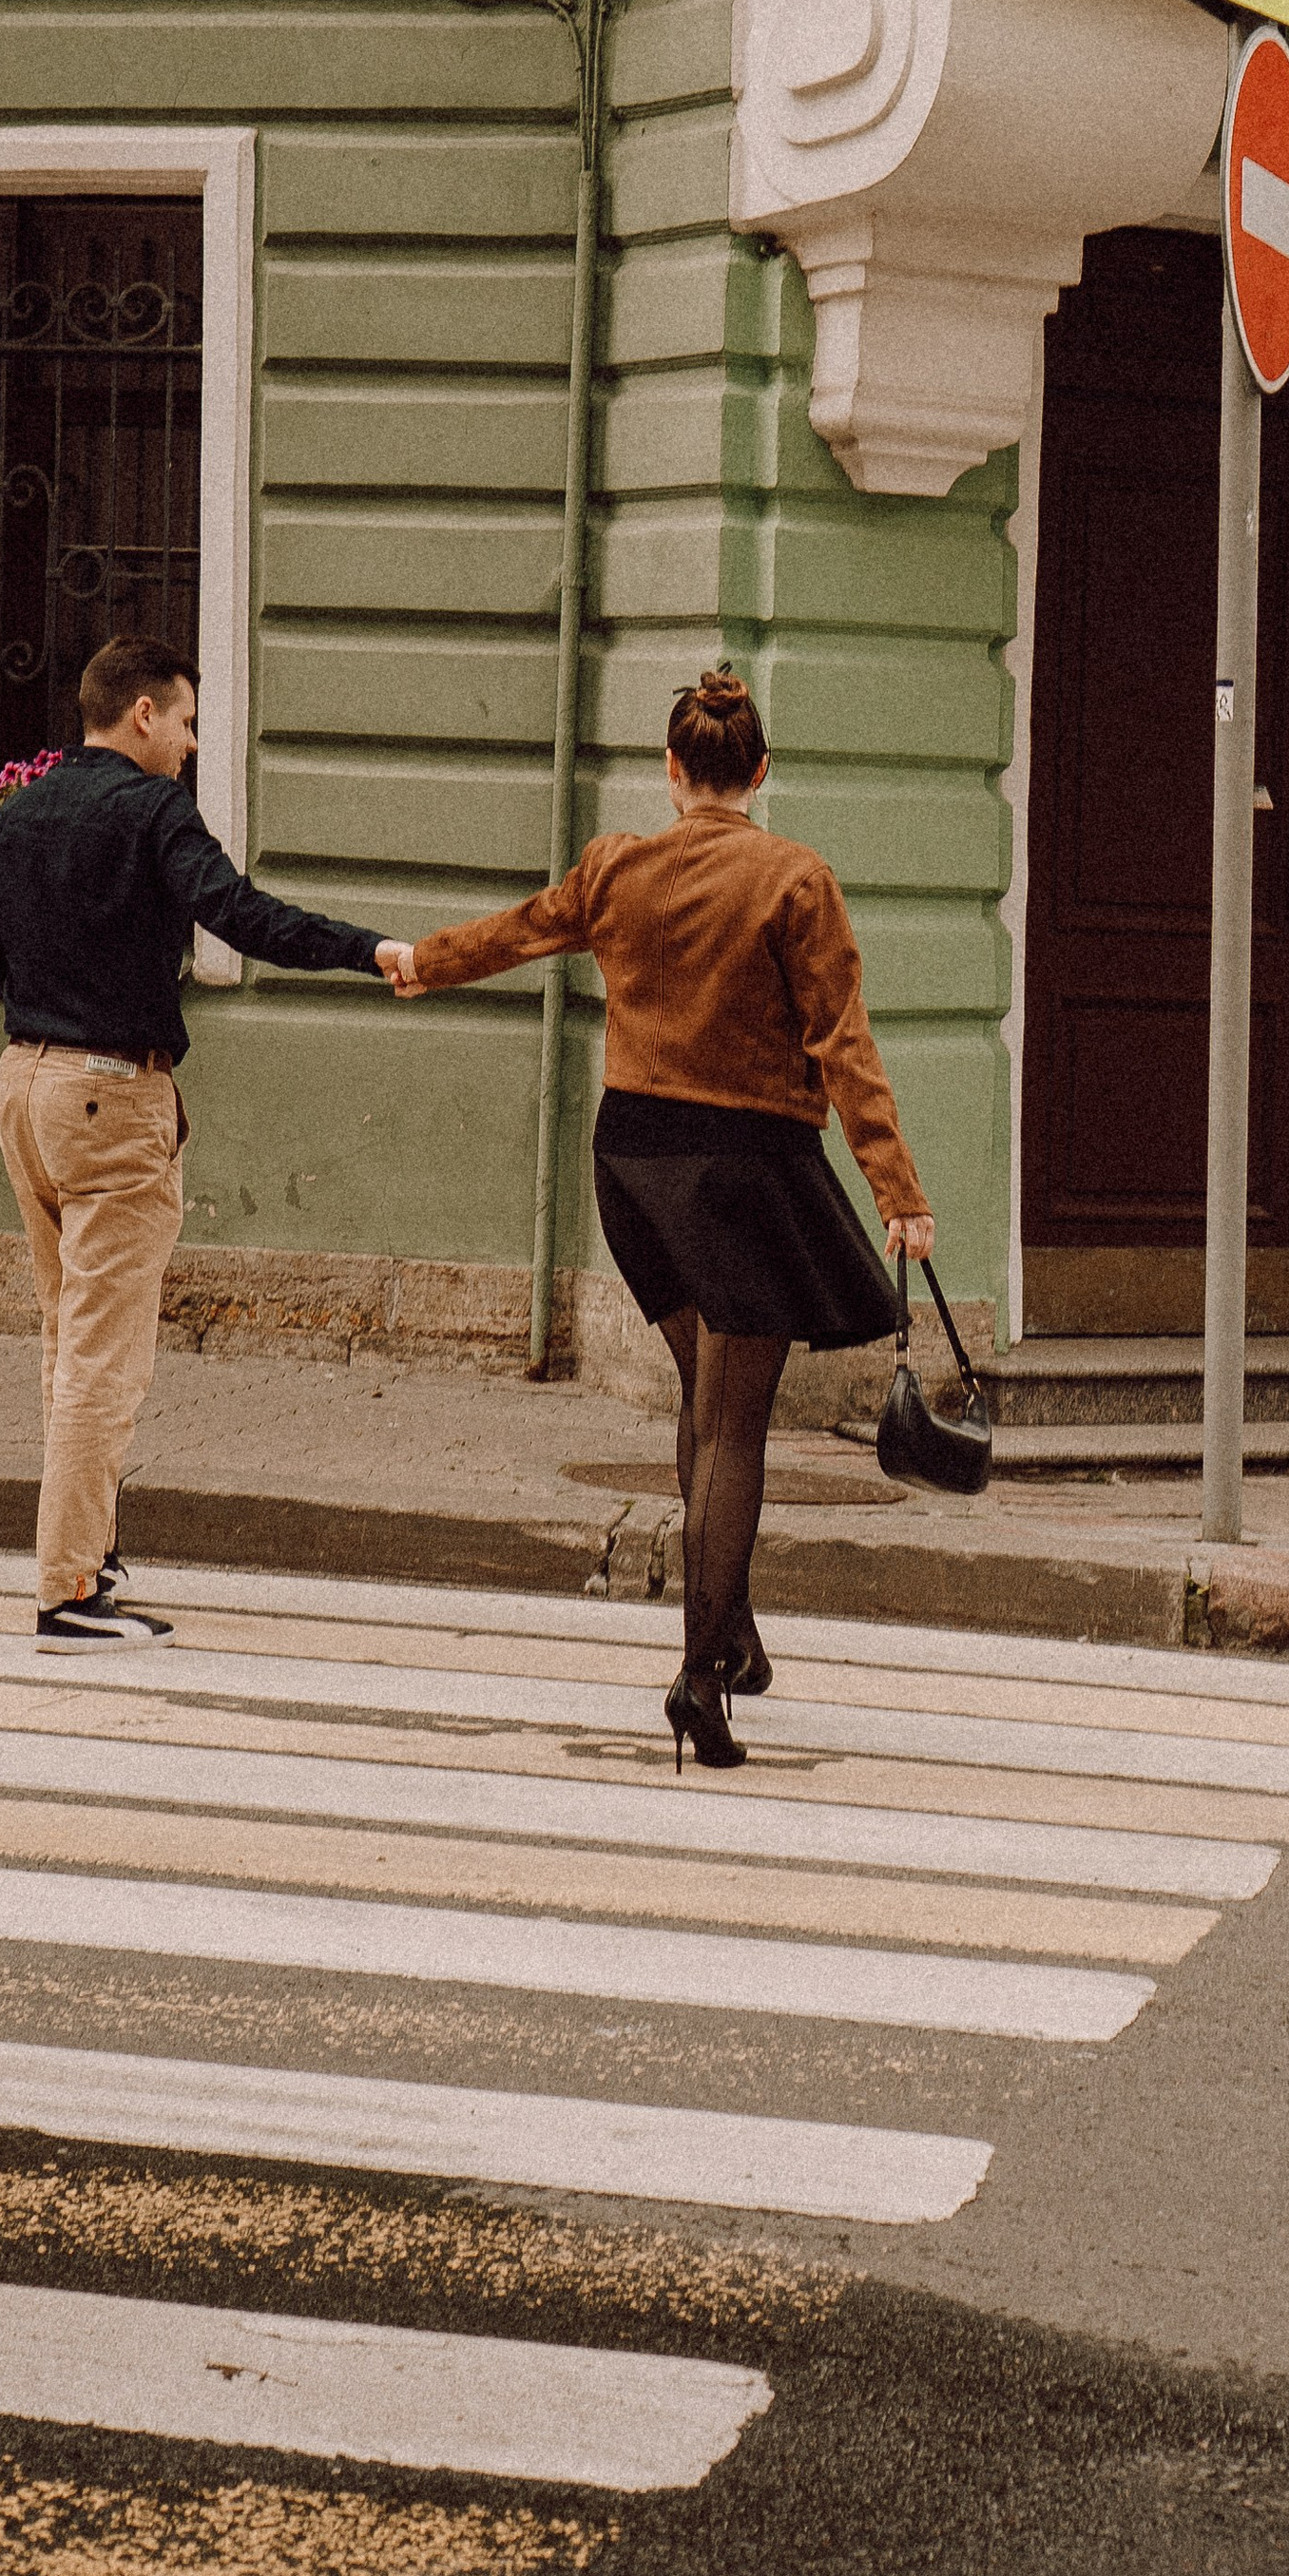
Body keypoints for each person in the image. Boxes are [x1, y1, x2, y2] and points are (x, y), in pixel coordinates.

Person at [378, 668, 934, 1772]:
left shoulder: (616, 867)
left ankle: (733, 1631)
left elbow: (525, 930)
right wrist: (899, 1193)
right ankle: (698, 1676)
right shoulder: (794, 879)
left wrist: (421, 963)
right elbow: (842, 1041)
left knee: (704, 1398)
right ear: (758, 773)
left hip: (631, 1162)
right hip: (742, 1170)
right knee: (733, 1425)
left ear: (671, 769)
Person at [0, 633, 397, 1649]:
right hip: (108, 1101)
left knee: (67, 1336)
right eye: (183, 721)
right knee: (104, 1357)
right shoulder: (154, 812)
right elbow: (240, 914)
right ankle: (68, 1591)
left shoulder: (19, 813)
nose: (189, 742)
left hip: (23, 1093)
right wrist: (370, 950)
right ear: (142, 714)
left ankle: (89, 1548)